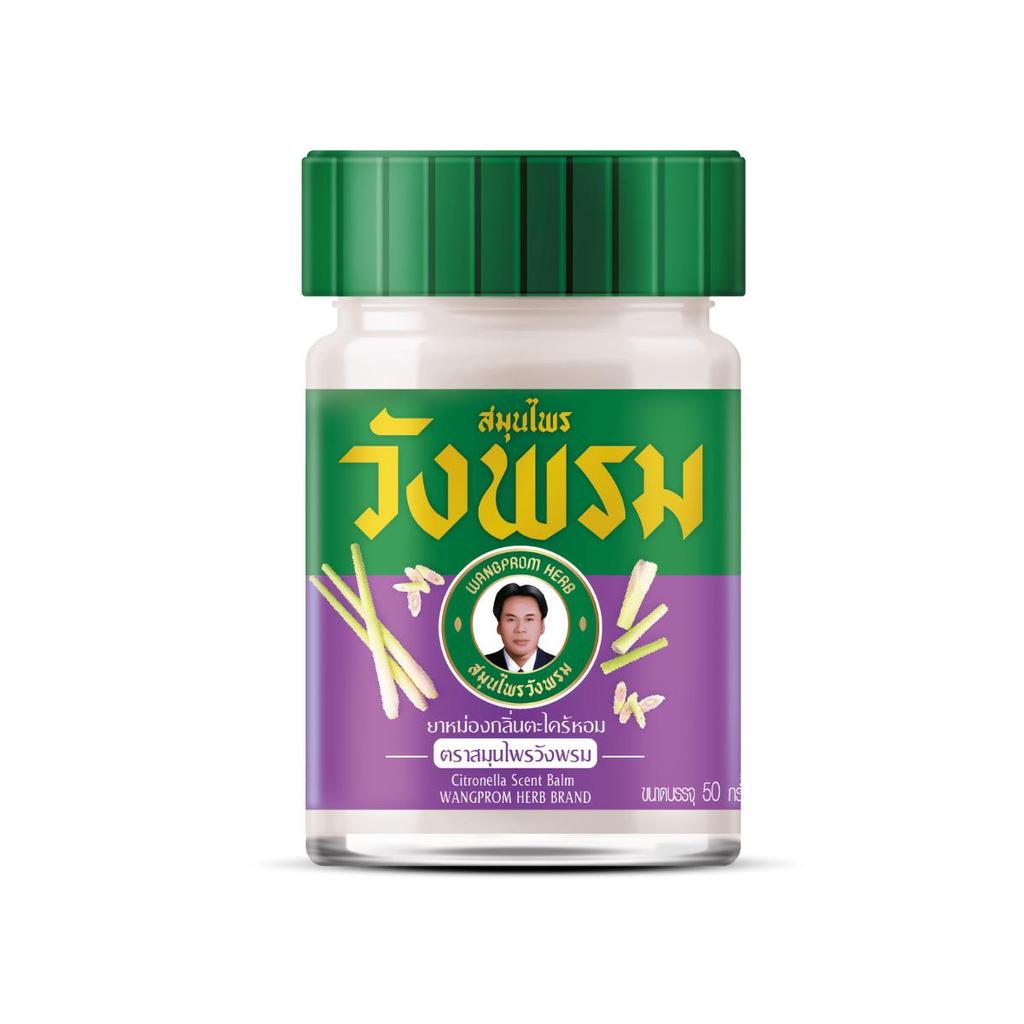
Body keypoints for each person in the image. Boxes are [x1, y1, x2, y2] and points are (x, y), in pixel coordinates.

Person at [485, 582, 555, 672]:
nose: (520, 629)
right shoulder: (482, 666)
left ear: (542, 625)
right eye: (511, 620)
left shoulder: (557, 666)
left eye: (529, 619)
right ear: (499, 626)